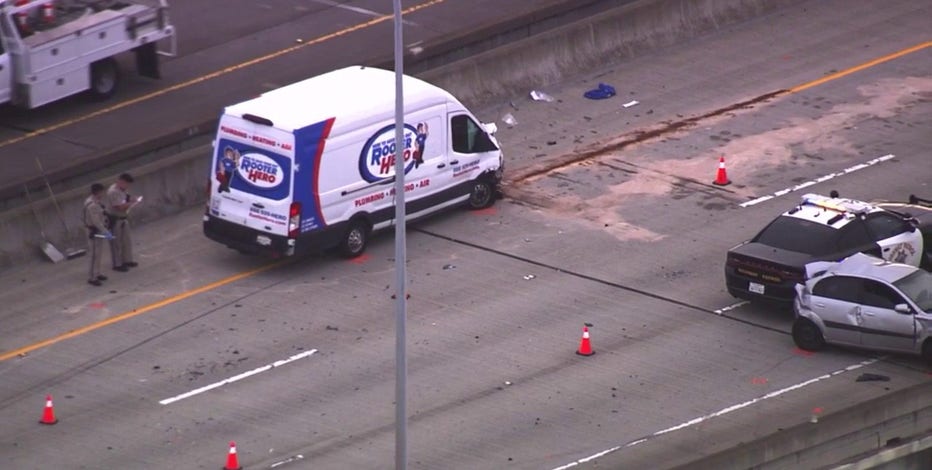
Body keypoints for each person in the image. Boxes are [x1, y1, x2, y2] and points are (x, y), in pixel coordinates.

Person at [106, 173, 141, 271]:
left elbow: (125, 197)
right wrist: (132, 203)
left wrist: (131, 199)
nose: (127, 186)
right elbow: (119, 207)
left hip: (123, 218)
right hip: (115, 219)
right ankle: (117, 264)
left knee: (126, 241)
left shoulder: (122, 190)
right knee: (116, 243)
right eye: (127, 184)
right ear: (121, 182)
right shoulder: (112, 191)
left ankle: (127, 260)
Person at [83, 183, 112, 286]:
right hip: (93, 231)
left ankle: (97, 272)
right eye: (102, 192)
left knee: (98, 253)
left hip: (97, 230)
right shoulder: (92, 205)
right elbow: (96, 222)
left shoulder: (94, 201)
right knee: (94, 254)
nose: (103, 194)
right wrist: (106, 231)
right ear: (98, 192)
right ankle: (92, 277)